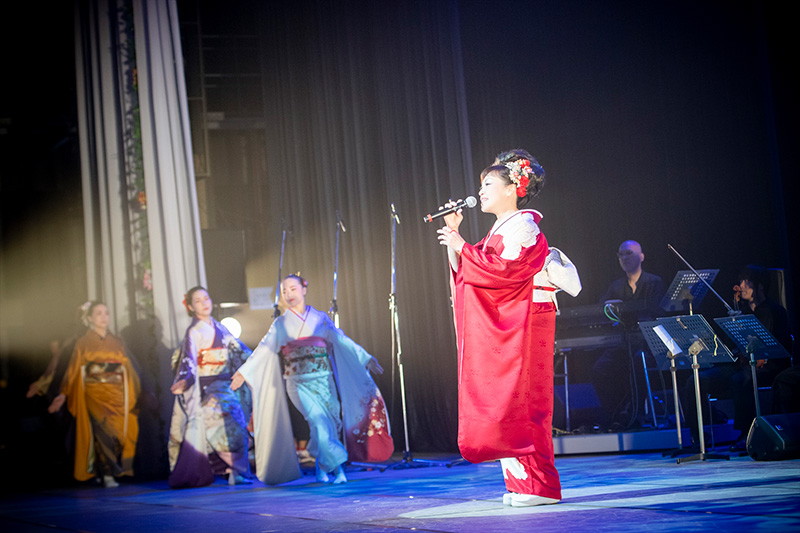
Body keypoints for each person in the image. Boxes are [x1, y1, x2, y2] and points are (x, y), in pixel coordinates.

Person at [437, 150, 561, 507]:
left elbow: (506, 272)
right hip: (514, 317)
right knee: (508, 401)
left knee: (527, 402)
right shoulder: (502, 229)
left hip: (528, 317)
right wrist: (455, 236)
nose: (481, 191)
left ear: (511, 189)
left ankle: (541, 486)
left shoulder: (526, 227)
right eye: (482, 185)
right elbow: (476, 269)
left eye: (489, 184)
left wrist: (462, 246)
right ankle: (522, 484)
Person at [231, 275, 392, 485]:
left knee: (327, 425)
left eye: (293, 288)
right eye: (284, 290)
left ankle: (321, 467)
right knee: (318, 421)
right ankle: (339, 468)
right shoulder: (280, 324)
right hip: (297, 383)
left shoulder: (320, 318)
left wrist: (365, 358)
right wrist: (244, 372)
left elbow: (341, 339)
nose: (288, 294)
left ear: (304, 289)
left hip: (324, 381)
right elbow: (264, 348)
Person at [681, 266, 793, 449]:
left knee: (740, 380)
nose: (741, 286)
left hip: (768, 367)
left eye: (746, 281)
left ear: (760, 286)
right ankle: (697, 434)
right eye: (741, 281)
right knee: (696, 380)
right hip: (740, 365)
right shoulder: (741, 311)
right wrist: (733, 324)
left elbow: (775, 347)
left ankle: (746, 433)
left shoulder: (775, 311)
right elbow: (730, 346)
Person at [167, 286, 254, 488]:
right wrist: (185, 380)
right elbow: (188, 360)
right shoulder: (194, 331)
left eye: (206, 298)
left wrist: (256, 361)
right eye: (198, 301)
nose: (204, 304)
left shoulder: (221, 328)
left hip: (225, 386)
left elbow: (241, 351)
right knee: (216, 428)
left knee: (237, 424)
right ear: (190, 307)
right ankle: (228, 469)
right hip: (206, 389)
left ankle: (236, 471)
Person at [48, 301, 141, 488]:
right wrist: (63, 393)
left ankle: (108, 469)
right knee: (102, 430)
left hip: (117, 392)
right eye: (98, 313)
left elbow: (128, 367)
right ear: (90, 318)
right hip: (94, 392)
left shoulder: (118, 341)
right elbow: (73, 370)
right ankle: (107, 473)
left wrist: (136, 389)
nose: (104, 317)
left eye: (106, 313)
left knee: (121, 432)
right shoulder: (82, 343)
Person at [591, 240, 665, 429]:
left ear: (641, 257)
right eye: (621, 254)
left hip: (647, 344)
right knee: (599, 369)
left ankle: (636, 414)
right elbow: (602, 309)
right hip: (623, 343)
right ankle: (614, 414)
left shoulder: (653, 282)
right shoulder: (616, 286)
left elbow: (655, 311)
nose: (624, 258)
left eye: (628, 253)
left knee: (639, 362)